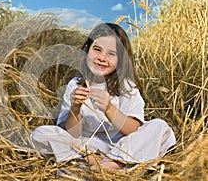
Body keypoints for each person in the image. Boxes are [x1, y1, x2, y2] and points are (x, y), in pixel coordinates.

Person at [30, 23, 176, 170]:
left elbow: (133, 129)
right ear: (86, 49)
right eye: (97, 49)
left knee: (160, 127)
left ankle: (113, 162)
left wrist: (109, 108)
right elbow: (72, 134)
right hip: (86, 148)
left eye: (111, 54)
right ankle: (100, 163)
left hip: (122, 145)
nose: (102, 58)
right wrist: (75, 108)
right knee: (40, 134)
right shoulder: (75, 85)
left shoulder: (126, 86)